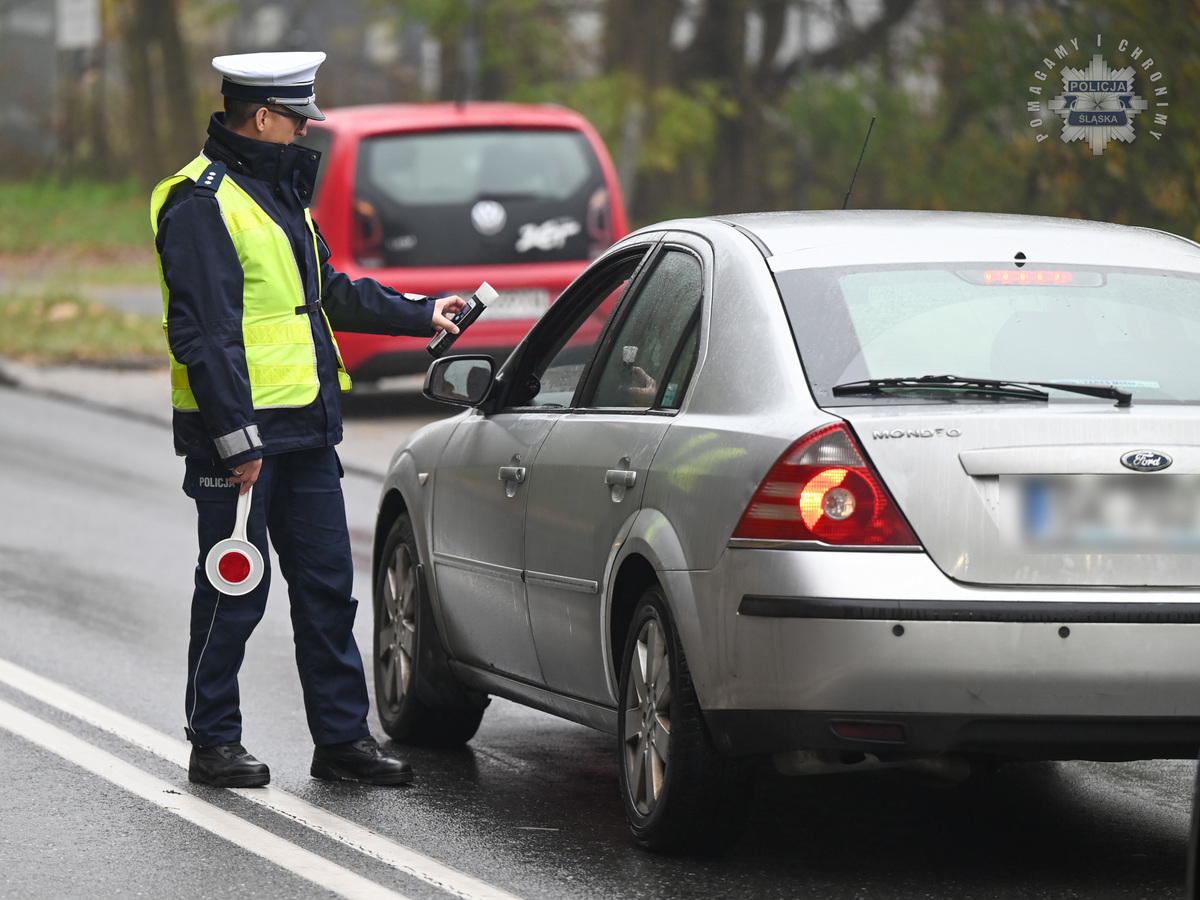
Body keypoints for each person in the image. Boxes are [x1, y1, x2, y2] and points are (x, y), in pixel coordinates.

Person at [150, 51, 466, 788]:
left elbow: (327, 291)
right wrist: (235, 439)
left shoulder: (279, 194)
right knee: (235, 587)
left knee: (327, 588)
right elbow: (204, 334)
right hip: (243, 438)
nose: (303, 133)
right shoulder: (200, 203)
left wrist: (423, 315)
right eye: (296, 120)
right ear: (262, 117)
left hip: (306, 429)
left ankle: (341, 742)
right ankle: (213, 741)